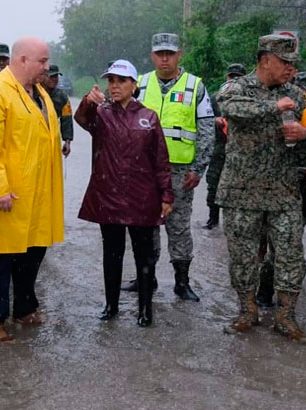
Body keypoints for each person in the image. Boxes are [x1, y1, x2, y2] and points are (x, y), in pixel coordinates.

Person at [216, 34, 306, 342]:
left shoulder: (296, 93)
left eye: (293, 63)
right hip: (242, 191)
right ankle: (247, 311)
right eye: (285, 62)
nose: (290, 69)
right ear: (265, 59)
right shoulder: (236, 88)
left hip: (284, 190)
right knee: (243, 256)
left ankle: (285, 316)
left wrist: (303, 132)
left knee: (291, 254)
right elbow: (232, 108)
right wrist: (273, 106)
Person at [74, 59, 173, 327]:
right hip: (108, 195)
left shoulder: (149, 117)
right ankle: (111, 306)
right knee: (112, 253)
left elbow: (161, 160)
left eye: (121, 81)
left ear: (133, 85)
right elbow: (81, 118)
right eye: (111, 81)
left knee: (144, 256)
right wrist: (88, 101)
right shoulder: (101, 114)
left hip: (142, 197)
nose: (114, 86)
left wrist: (166, 195)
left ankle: (145, 309)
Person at [121, 33, 215, 301]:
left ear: (179, 55)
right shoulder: (140, 83)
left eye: (170, 54)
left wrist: (199, 168)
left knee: (179, 227)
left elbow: (207, 130)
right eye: (160, 53)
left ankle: (181, 282)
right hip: (144, 171)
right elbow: (123, 124)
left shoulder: (195, 86)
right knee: (145, 226)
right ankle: (145, 279)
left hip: (180, 171)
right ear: (152, 55)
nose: (165, 58)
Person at [0, 37, 64, 341]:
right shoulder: (1, 90)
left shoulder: (39, 93)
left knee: (33, 252)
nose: (46, 67)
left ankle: (24, 307)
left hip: (39, 191)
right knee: (3, 256)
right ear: (22, 60)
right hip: (10, 193)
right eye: (42, 61)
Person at [204, 63, 246, 230]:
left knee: (239, 187)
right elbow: (205, 119)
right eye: (232, 76)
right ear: (227, 77)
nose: (234, 80)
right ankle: (212, 217)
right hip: (220, 147)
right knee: (213, 183)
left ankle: (236, 223)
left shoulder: (247, 99)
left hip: (240, 150)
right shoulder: (215, 98)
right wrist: (216, 120)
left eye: (238, 77)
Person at [42, 64, 74, 157]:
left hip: (53, 137)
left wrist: (67, 142)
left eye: (56, 76)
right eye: (51, 76)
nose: (54, 79)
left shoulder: (62, 97)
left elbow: (67, 120)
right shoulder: (35, 92)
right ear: (44, 76)